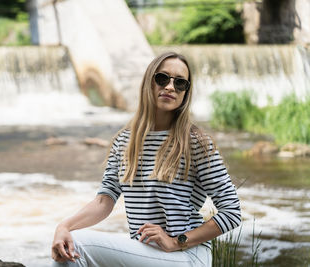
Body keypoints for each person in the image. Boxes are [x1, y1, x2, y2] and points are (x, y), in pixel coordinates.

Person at [51, 51, 241, 267]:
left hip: (187, 256)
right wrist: (64, 227)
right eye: (162, 78)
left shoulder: (196, 142)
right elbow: (104, 201)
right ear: (148, 83)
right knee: (66, 245)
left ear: (185, 93)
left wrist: (177, 241)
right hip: (145, 253)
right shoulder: (124, 142)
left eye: (180, 83)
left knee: (78, 245)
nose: (170, 87)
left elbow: (232, 211)